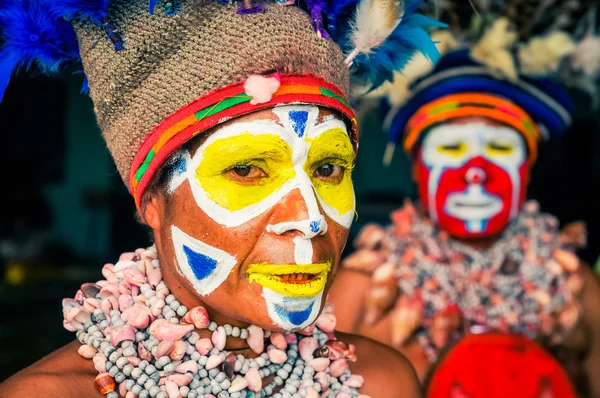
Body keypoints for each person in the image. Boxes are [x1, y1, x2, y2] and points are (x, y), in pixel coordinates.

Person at [0, 0, 442, 396]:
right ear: (152, 201)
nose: (309, 219)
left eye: (327, 169)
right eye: (247, 170)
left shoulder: (382, 382)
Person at [329, 27, 600, 397]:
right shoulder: (364, 284)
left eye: (500, 150)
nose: (476, 173)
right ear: (417, 166)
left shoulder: (573, 286)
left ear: (528, 166)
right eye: (452, 148)